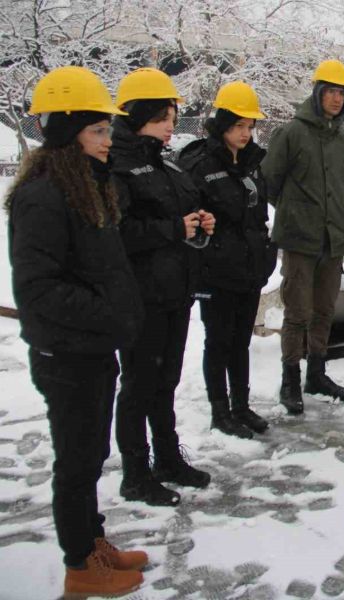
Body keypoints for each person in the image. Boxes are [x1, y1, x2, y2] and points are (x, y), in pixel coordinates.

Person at [7, 66, 147, 597]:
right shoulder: (43, 196)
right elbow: (39, 290)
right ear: (68, 132)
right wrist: (109, 313)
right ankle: (79, 566)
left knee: (89, 455)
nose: (110, 140)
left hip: (90, 348)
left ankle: (92, 542)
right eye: (98, 130)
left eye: (108, 130)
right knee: (77, 460)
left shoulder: (85, 185)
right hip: (67, 353)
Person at [112, 68, 213, 506]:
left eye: (173, 115)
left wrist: (201, 224)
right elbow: (119, 234)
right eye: (161, 117)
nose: (171, 125)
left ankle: (168, 457)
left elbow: (187, 212)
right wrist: (176, 227)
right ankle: (135, 472)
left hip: (175, 290)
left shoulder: (165, 161)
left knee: (166, 379)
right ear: (137, 116)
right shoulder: (117, 164)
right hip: (140, 295)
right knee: (139, 383)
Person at [179, 81, 277, 438]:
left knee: (240, 341)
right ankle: (220, 411)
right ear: (222, 125)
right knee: (218, 342)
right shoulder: (200, 164)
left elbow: (259, 216)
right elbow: (192, 222)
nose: (245, 133)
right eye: (238, 126)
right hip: (216, 272)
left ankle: (241, 405)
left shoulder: (255, 162)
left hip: (249, 270)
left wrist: (267, 255)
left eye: (250, 127)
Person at [262, 59, 344, 414]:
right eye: (330, 92)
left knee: (324, 310)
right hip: (300, 239)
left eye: (342, 94)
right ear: (317, 93)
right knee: (297, 311)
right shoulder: (291, 133)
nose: (336, 99)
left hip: (333, 240)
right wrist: (297, 211)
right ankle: (290, 378)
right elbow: (271, 181)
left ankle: (316, 374)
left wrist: (338, 220)